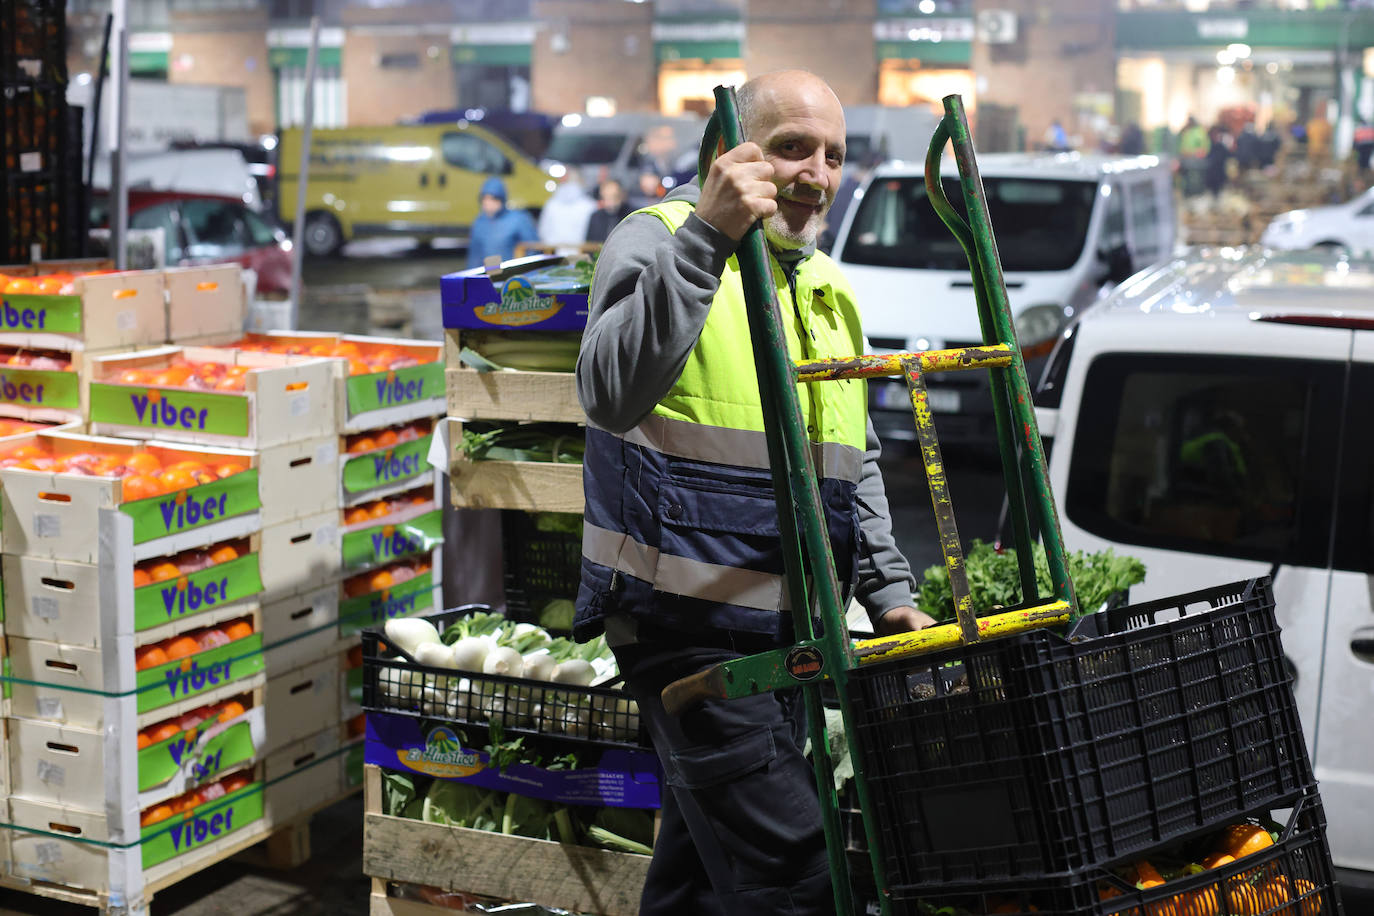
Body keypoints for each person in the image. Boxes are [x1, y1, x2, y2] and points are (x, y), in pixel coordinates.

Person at [573, 69, 934, 915]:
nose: (816, 173)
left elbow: (856, 461)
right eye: (790, 149)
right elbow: (607, 390)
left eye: (834, 155)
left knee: (699, 876)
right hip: (688, 628)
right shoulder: (660, 237)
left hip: (790, 631)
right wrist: (709, 234)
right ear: (731, 155)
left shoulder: (827, 286)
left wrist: (888, 595)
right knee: (800, 879)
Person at [465, 176, 538, 269]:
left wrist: (524, 270)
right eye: (485, 198)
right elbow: (475, 255)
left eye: (493, 198)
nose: (488, 203)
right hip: (491, 273)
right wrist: (472, 278)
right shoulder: (480, 223)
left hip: (513, 275)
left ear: (501, 199)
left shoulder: (518, 219)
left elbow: (533, 247)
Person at [537, 173, 597, 252]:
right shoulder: (590, 205)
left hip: (553, 254)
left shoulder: (551, 204)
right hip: (582, 255)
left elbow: (543, 231)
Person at [586, 178, 633, 243]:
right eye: (607, 197)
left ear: (621, 195)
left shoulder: (631, 215)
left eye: (614, 196)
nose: (611, 202)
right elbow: (589, 244)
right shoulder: (595, 217)